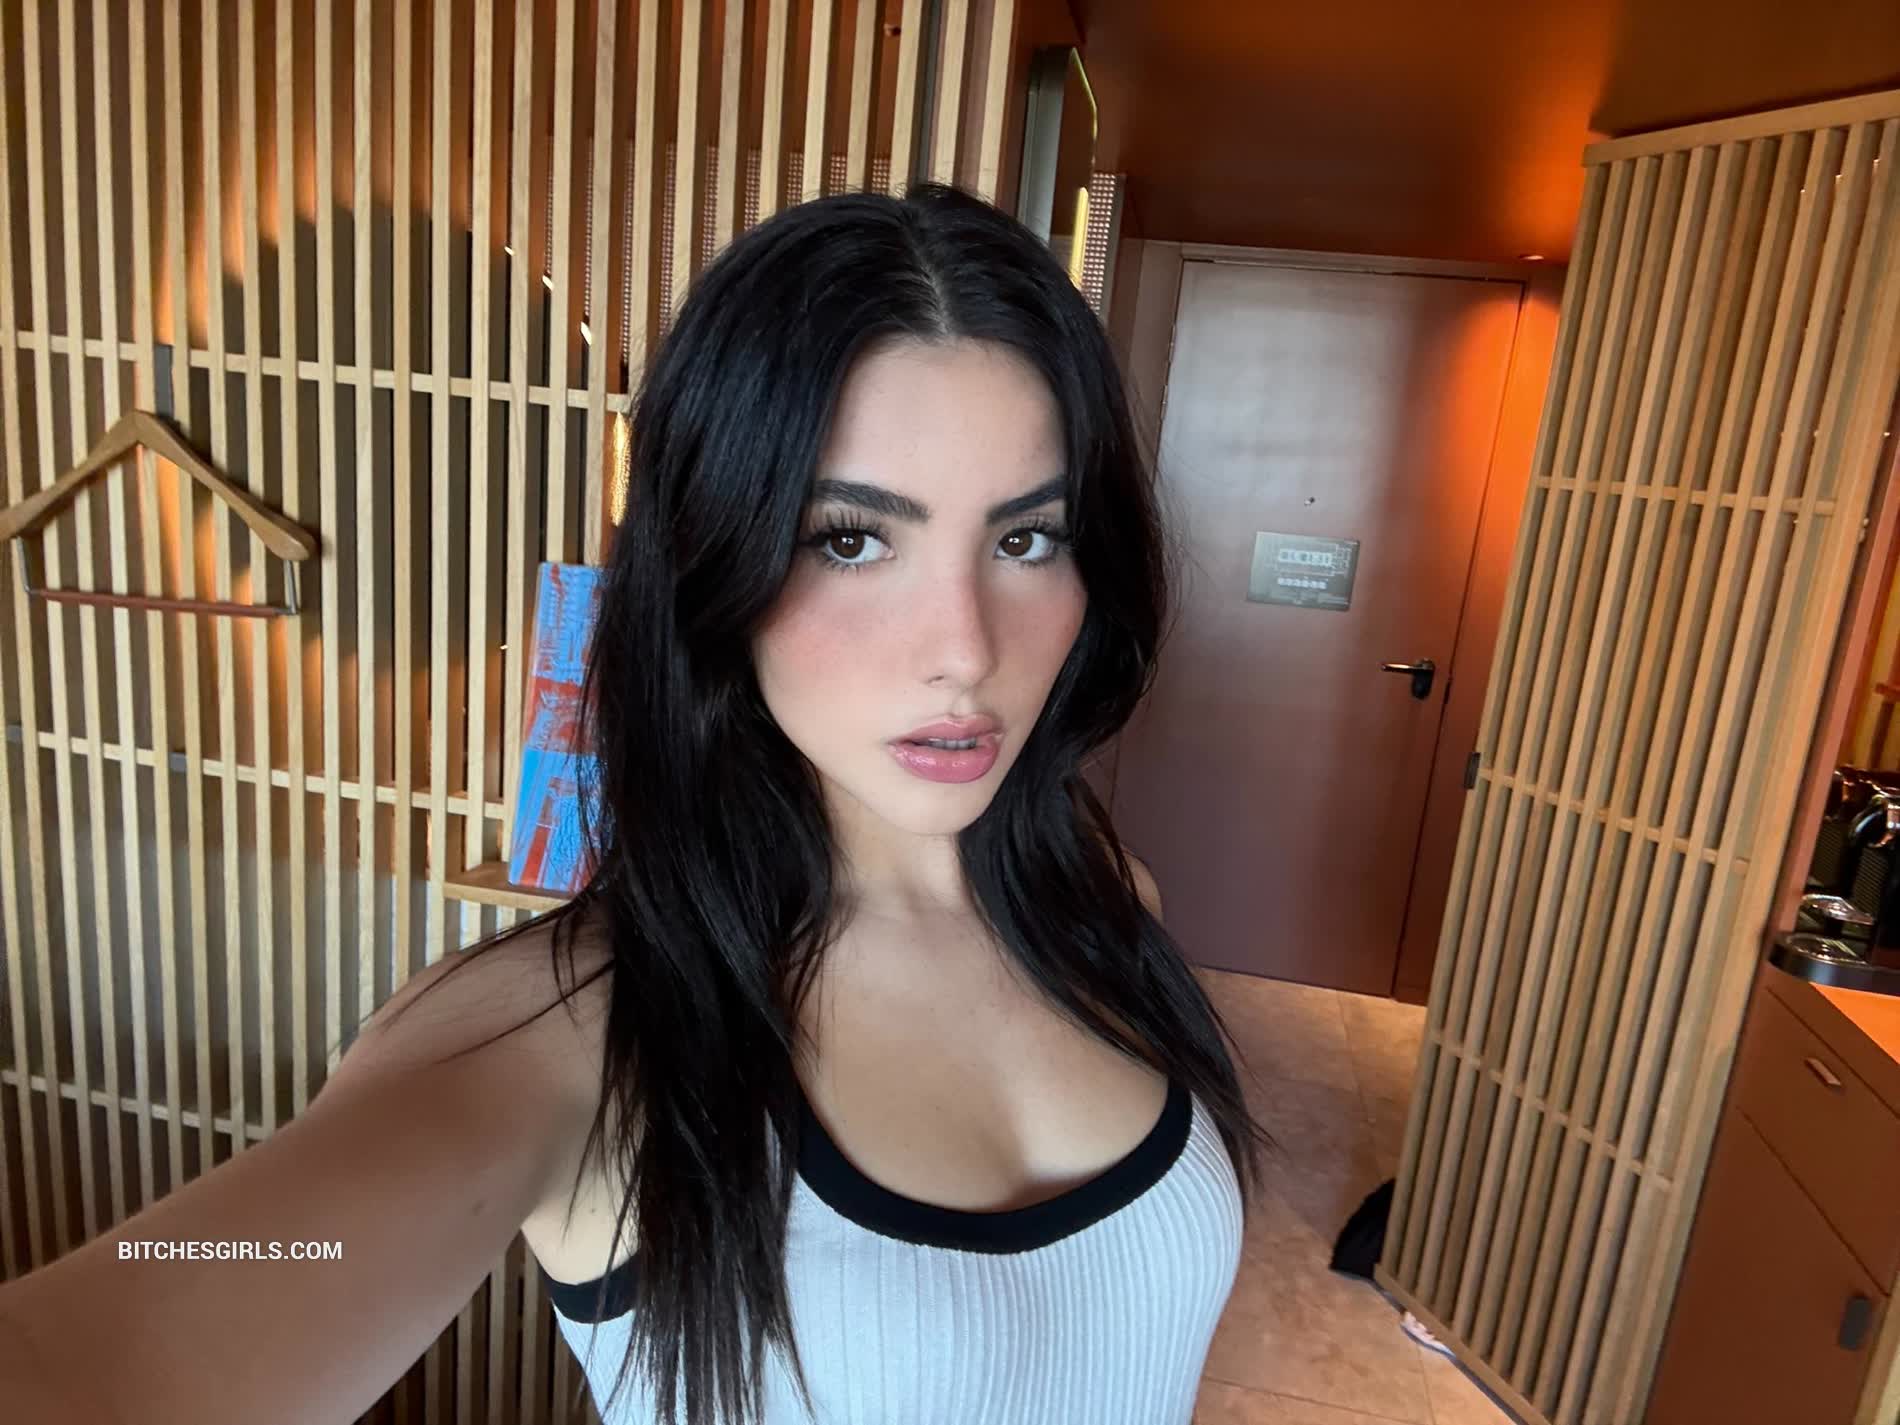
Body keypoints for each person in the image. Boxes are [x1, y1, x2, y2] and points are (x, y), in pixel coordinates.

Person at [0, 181, 1273, 1425]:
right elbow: (149, 1319)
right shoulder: (564, 1032)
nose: (965, 649)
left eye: (1025, 538)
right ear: (716, 557)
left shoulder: (1106, 899)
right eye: (848, 538)